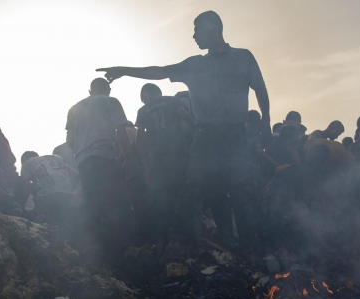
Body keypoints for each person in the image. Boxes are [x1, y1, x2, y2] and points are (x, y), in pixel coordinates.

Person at [98, 10, 270, 258]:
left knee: (241, 188)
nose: (193, 36)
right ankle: (220, 242)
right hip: (205, 136)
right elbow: (160, 71)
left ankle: (249, 246)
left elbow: (259, 87)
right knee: (206, 188)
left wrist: (266, 118)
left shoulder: (243, 57)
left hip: (234, 135)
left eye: (196, 29)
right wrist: (125, 70)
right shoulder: (194, 65)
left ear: (212, 29)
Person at [66, 78, 133, 253]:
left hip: (83, 162)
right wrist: (129, 160)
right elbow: (122, 133)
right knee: (116, 201)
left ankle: (97, 248)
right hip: (105, 157)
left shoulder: (74, 108)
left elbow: (70, 141)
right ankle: (120, 247)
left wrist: (83, 151)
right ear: (108, 90)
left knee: (92, 203)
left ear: (90, 91)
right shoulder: (111, 101)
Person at [135, 83, 195, 250]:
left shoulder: (143, 111)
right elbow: (189, 120)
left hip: (157, 161)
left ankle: (162, 242)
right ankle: (184, 241)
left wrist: (145, 166)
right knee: (181, 197)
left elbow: (139, 140)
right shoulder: (171, 101)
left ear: (145, 95)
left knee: (162, 201)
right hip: (177, 156)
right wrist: (192, 143)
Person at [20, 151, 76, 223]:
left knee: (46, 222)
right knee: (64, 221)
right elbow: (75, 175)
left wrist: (21, 206)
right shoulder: (55, 157)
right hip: (66, 194)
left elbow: (25, 189)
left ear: (23, 161)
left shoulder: (26, 163)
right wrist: (69, 190)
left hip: (47, 197)